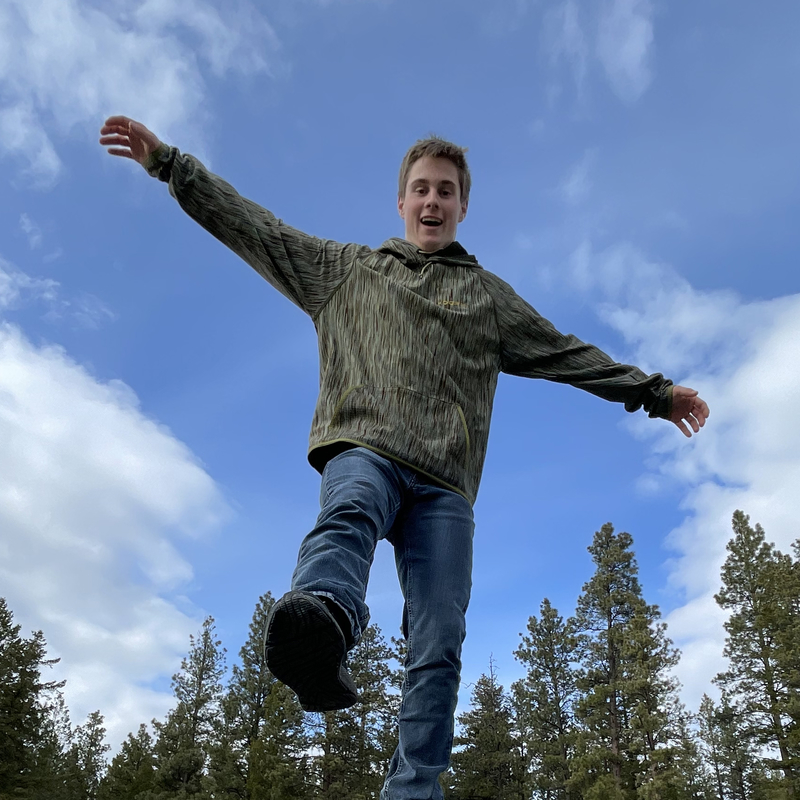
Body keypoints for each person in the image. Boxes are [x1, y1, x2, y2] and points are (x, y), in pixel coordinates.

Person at [99, 115, 709, 800]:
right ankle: (326, 615)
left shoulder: (488, 299)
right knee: (350, 506)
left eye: (446, 192)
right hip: (367, 444)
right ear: (401, 201)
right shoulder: (346, 270)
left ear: (461, 206)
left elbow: (568, 353)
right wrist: (170, 165)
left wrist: (655, 393)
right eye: (421, 189)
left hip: (446, 486)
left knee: (439, 637)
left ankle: (414, 789)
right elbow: (254, 227)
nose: (432, 202)